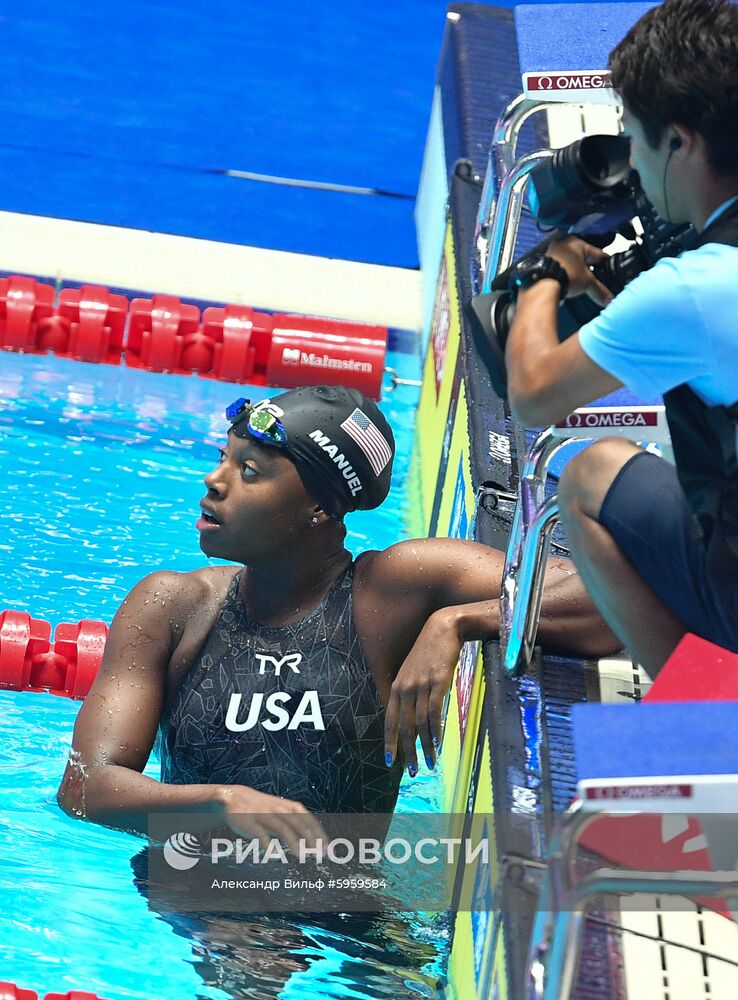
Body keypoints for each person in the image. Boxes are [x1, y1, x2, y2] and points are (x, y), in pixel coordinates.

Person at [57, 384, 617, 843]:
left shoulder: (389, 594)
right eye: (223, 458)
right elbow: (86, 789)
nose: (215, 480)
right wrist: (220, 804)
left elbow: (605, 599)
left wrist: (458, 621)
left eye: (250, 472)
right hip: (188, 895)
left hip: (345, 919)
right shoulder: (172, 607)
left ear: (320, 507)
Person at [504, 0, 738, 676]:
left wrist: (545, 275)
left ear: (680, 142)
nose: (630, 157)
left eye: (634, 135)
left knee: (587, 475)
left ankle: (704, 716)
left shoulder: (693, 289)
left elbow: (533, 394)